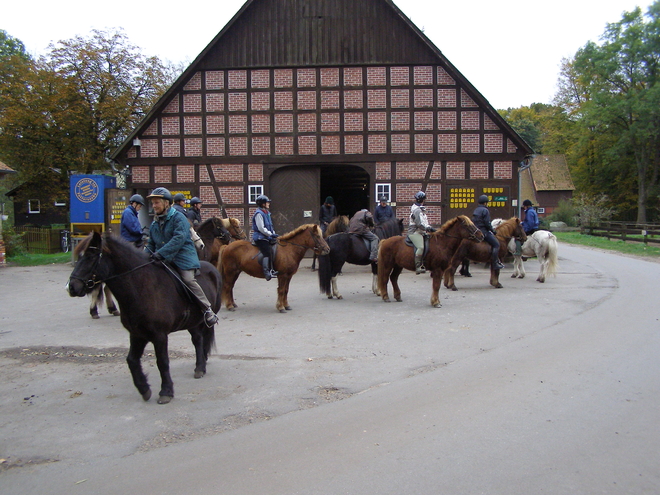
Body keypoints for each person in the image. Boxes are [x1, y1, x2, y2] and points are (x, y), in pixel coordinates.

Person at [146, 187, 218, 326]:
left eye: (157, 203)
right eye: (153, 203)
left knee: (188, 280)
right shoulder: (154, 223)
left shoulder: (179, 218)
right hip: (163, 259)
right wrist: (145, 257)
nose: (154, 206)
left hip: (182, 257)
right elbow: (150, 243)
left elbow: (178, 239)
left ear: (166, 203)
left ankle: (207, 309)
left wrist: (160, 253)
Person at [473, 194, 505, 270]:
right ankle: (494, 263)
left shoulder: (476, 210)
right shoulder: (485, 210)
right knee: (496, 244)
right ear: (485, 203)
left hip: (476, 231)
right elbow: (487, 223)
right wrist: (493, 231)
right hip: (483, 231)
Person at [252, 194, 279, 281]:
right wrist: (270, 234)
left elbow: (270, 226)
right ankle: (267, 272)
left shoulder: (267, 213)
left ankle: (273, 269)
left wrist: (273, 233)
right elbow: (261, 228)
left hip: (267, 236)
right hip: (261, 237)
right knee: (267, 252)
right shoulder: (258, 214)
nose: (269, 204)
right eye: (267, 202)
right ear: (263, 204)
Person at [408, 191, 435, 274]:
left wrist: (429, 227)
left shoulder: (421, 209)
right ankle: (418, 266)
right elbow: (419, 224)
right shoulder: (417, 210)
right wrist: (428, 228)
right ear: (423, 200)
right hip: (415, 232)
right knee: (421, 247)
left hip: (421, 232)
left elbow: (424, 221)